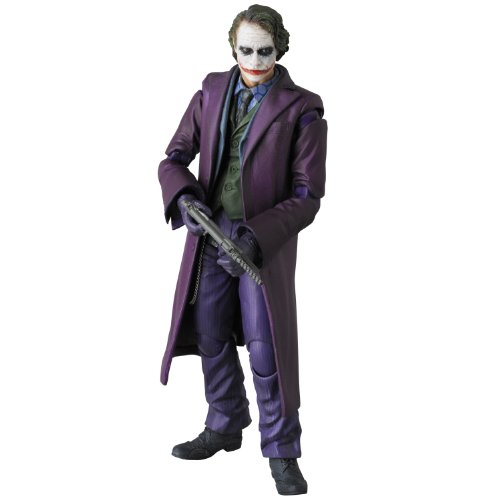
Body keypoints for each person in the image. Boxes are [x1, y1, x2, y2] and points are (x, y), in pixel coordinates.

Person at [157, 4, 327, 495]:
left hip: (260, 243)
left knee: (266, 343)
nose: (254, 61)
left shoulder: (302, 108)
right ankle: (225, 421)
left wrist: (257, 238)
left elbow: (307, 195)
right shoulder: (211, 92)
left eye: (264, 51)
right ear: (232, 48)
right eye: (245, 50)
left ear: (280, 50)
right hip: (211, 232)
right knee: (210, 330)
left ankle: (282, 450)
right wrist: (184, 196)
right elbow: (173, 157)